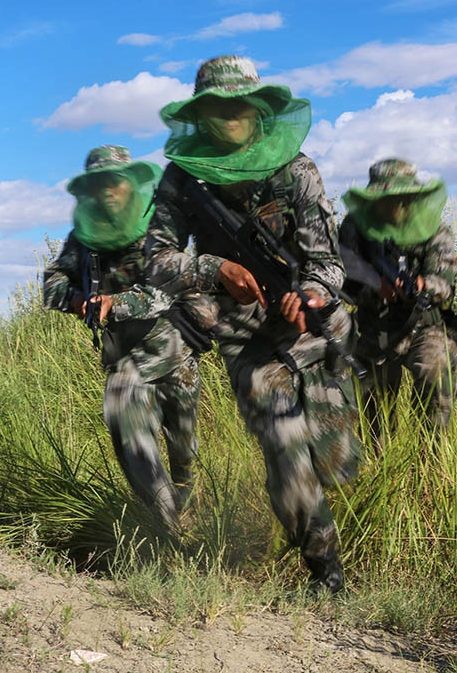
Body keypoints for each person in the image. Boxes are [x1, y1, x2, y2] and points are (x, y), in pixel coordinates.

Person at [145, 56, 360, 593]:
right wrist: (213, 269)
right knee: (286, 449)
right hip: (246, 337)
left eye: (239, 105)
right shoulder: (183, 178)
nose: (230, 116)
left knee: (336, 462)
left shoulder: (297, 169)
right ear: (201, 114)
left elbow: (328, 262)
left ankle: (325, 510)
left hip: (315, 330)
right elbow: (155, 258)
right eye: (217, 108)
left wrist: (311, 293)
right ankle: (325, 571)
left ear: (257, 108)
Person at [43, 145, 210, 533]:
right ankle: (167, 526)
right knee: (131, 439)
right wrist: (78, 299)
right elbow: (52, 283)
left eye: (114, 181)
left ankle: (188, 507)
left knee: (184, 448)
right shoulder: (83, 237)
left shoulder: (157, 226)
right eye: (98, 183)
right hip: (124, 361)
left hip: (174, 354)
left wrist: (114, 303)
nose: (107, 191)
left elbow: (165, 289)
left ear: (131, 183)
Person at [340, 158, 457, 450]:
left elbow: (445, 283)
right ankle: (380, 465)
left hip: (424, 325)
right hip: (375, 326)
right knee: (374, 407)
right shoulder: (354, 228)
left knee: (436, 371)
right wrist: (372, 283)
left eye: (400, 199)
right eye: (385, 200)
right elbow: (339, 273)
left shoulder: (435, 230)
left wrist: (421, 286)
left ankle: (432, 460)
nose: (393, 206)